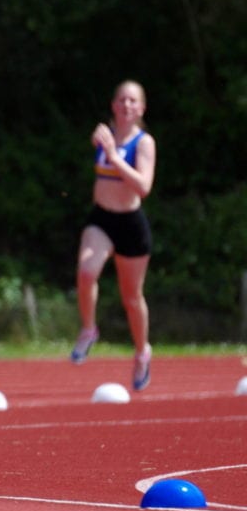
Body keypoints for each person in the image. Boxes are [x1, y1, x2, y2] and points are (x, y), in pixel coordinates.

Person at [70, 80, 156, 392]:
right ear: (113, 105)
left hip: (131, 224)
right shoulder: (104, 133)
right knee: (85, 273)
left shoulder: (144, 143)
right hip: (102, 219)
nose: (126, 105)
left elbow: (143, 187)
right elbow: (100, 152)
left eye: (133, 101)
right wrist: (101, 145)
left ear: (141, 108)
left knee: (131, 298)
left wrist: (114, 156)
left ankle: (142, 352)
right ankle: (89, 329)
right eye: (122, 99)